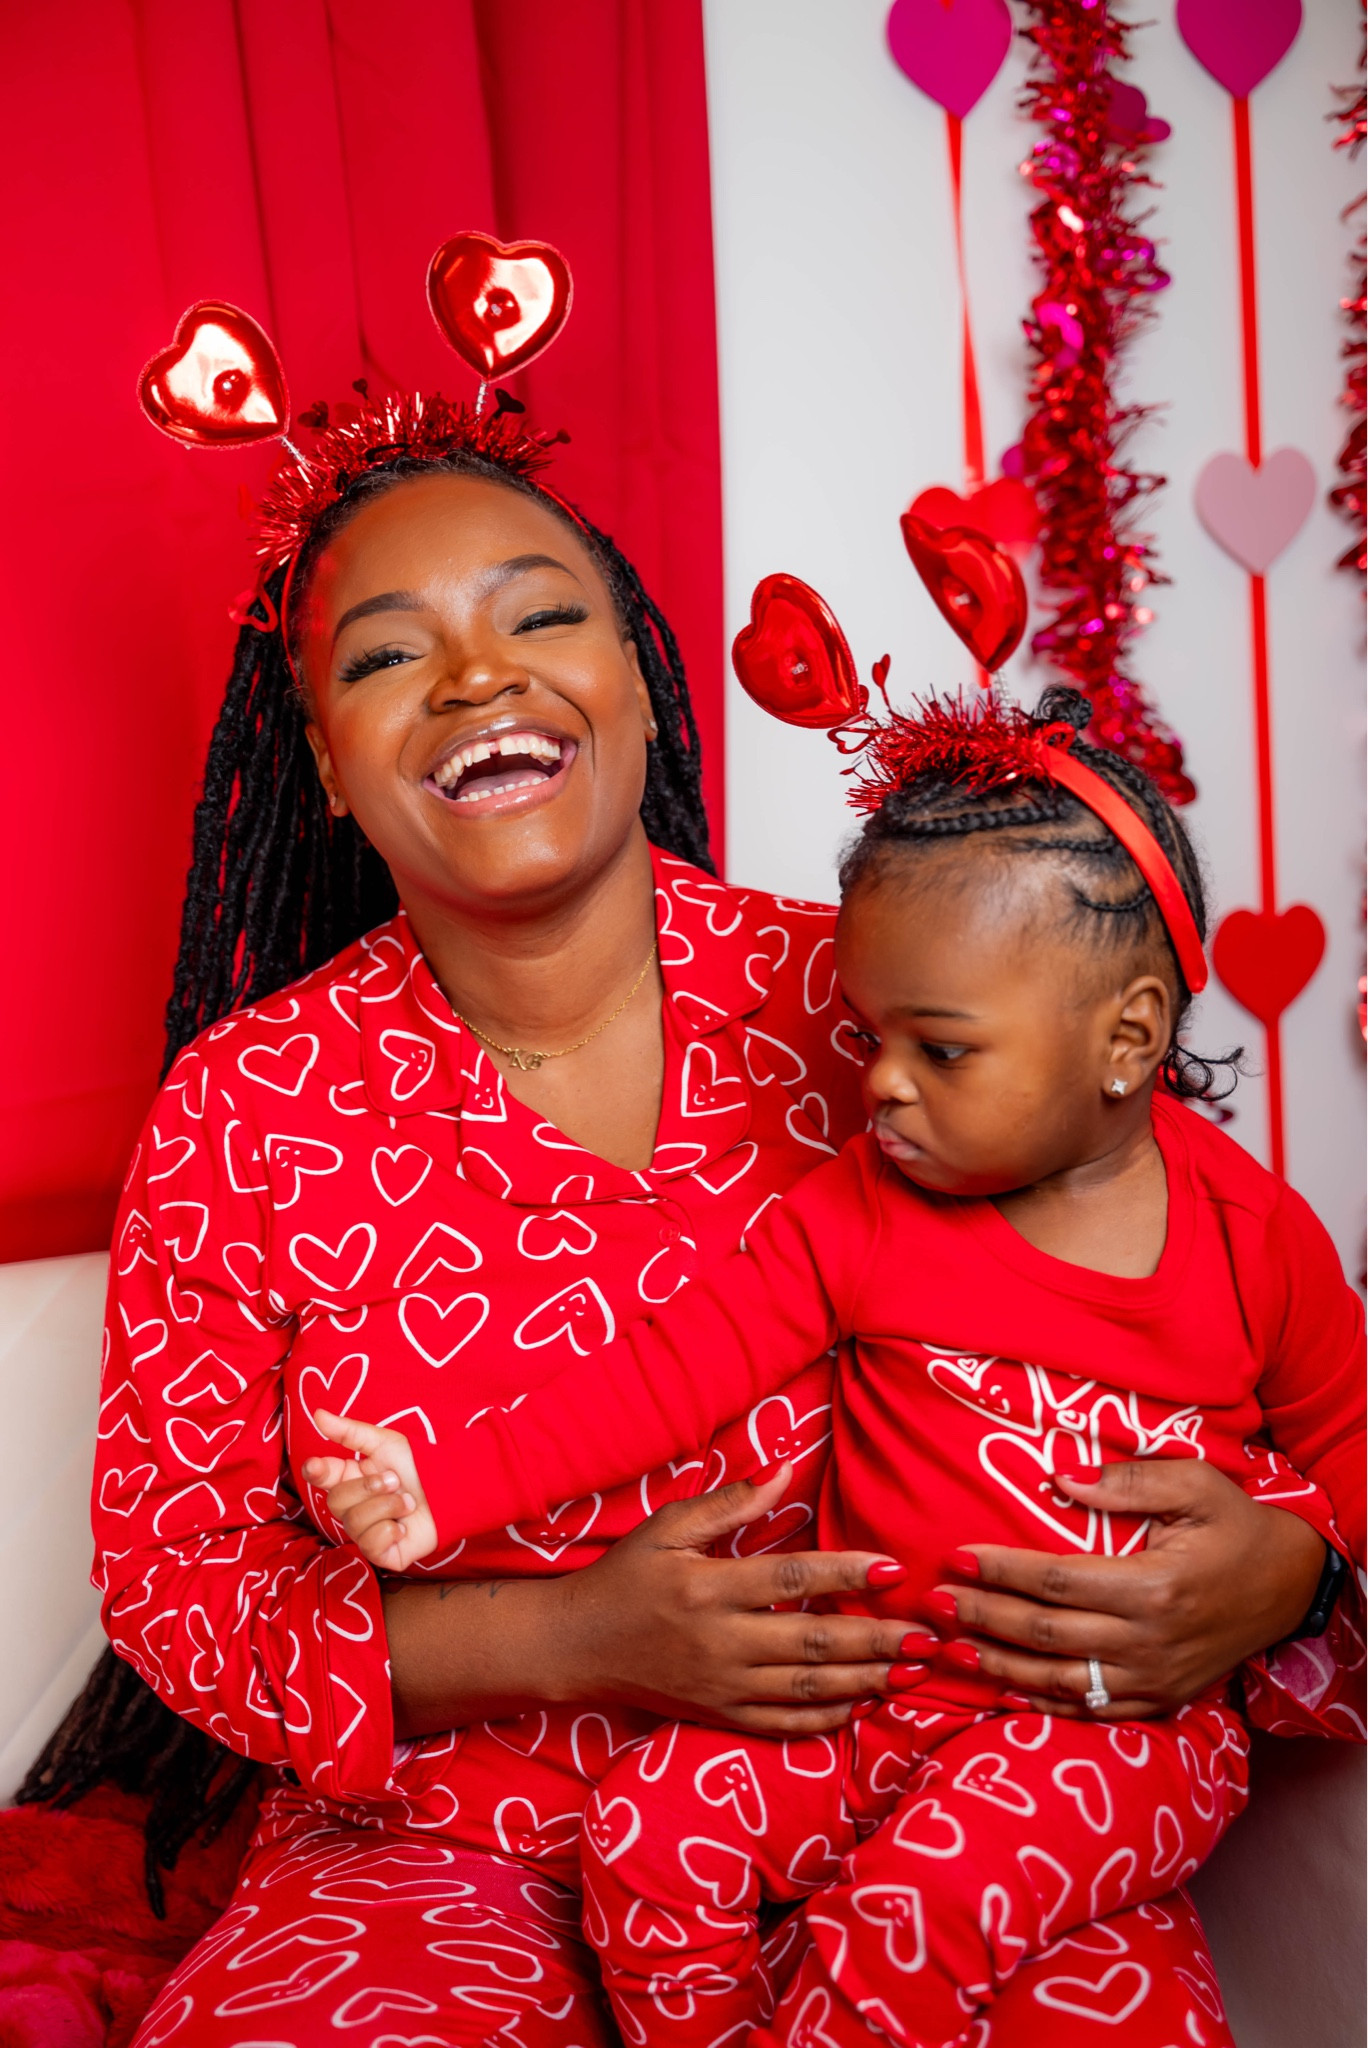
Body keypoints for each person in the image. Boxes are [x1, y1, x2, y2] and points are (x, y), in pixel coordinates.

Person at [75, 389, 1351, 2048]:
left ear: (641, 685)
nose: (477, 675)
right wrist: (572, 1638)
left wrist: (1294, 1574)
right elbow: (182, 1583)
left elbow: (1216, 1310)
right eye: (391, 656)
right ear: (321, 759)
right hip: (443, 1850)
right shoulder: (246, 1106)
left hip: (946, 1792)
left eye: (542, 615)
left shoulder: (892, 992)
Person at [311, 686, 1364, 2045]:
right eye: (869, 1038)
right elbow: (665, 1375)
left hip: (1110, 1733)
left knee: (903, 1916)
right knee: (645, 1839)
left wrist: (1294, 1568)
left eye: (942, 1048)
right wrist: (445, 1487)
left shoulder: (1247, 1234)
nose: (879, 1083)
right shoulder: (864, 1208)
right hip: (877, 1698)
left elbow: (1345, 1454)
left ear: (1128, 1037)